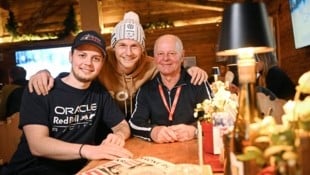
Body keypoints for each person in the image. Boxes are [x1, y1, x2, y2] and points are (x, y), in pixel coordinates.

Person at [27, 11, 208, 120]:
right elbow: (76, 74)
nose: (128, 53)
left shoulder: (152, 64)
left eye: (134, 46)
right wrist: (44, 72)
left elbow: (171, 67)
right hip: (105, 129)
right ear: (113, 46)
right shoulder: (101, 61)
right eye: (122, 45)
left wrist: (190, 70)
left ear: (142, 49)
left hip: (141, 126)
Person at [2, 31, 132, 175]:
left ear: (102, 63)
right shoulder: (41, 88)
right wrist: (88, 150)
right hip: (30, 170)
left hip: (78, 170)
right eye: (82, 55)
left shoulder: (99, 93)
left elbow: (122, 125)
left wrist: (119, 136)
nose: (88, 63)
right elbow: (37, 145)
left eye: (96, 58)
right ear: (70, 57)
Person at [129, 34, 213, 143]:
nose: (165, 58)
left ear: (182, 56)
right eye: (160, 54)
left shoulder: (198, 82)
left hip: (193, 148)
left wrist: (195, 131)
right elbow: (134, 123)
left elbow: (215, 118)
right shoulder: (146, 89)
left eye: (172, 53)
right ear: (154, 58)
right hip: (159, 151)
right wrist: (153, 131)